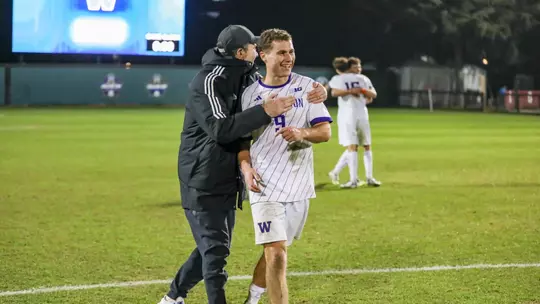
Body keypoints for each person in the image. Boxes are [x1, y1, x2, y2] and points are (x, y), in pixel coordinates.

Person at [158, 25, 328, 304]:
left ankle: (173, 296)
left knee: (211, 249)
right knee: (218, 253)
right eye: (253, 46)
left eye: (290, 51)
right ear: (243, 52)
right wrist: (263, 113)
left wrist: (320, 92)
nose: (257, 50)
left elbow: (283, 89)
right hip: (203, 176)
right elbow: (221, 129)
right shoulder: (209, 81)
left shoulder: (247, 75)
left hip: (232, 176)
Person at [238, 28, 332, 304]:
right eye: (281, 52)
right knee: (277, 253)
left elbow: (324, 132)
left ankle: (253, 296)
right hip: (263, 184)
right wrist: (246, 168)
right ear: (263, 55)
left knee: (277, 250)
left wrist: (302, 133)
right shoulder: (250, 95)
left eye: (290, 51)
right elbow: (241, 141)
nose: (288, 57)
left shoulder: (308, 88)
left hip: (298, 185)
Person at [327, 57, 381, 188]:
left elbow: (333, 92)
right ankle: (362, 178)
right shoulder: (361, 78)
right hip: (357, 115)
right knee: (360, 146)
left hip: (350, 116)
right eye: (356, 66)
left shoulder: (340, 79)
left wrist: (359, 92)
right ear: (349, 67)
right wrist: (358, 91)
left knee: (354, 146)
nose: (358, 68)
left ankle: (354, 179)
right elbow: (373, 95)